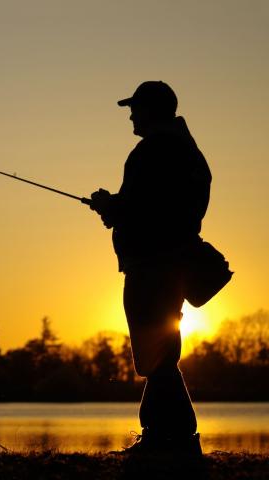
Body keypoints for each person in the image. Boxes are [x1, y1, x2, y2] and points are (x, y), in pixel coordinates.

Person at [89, 81, 211, 455]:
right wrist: (118, 208)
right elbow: (163, 206)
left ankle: (169, 436)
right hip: (170, 263)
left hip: (151, 264)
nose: (130, 116)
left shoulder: (152, 151)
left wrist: (111, 206)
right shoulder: (186, 150)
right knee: (160, 351)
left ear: (151, 110)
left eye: (135, 109)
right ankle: (169, 436)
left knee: (154, 353)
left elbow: (145, 207)